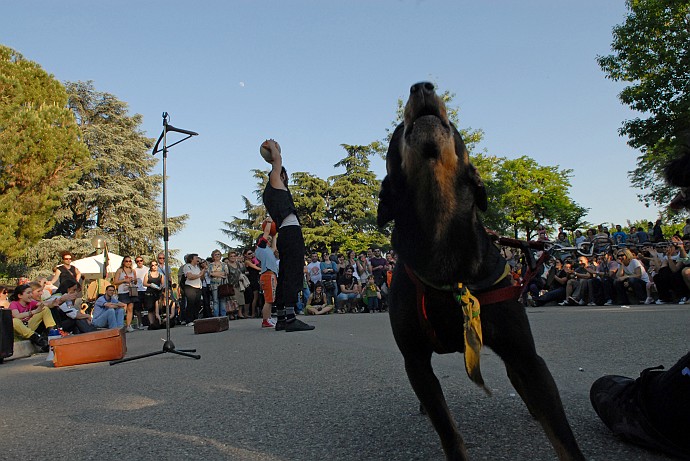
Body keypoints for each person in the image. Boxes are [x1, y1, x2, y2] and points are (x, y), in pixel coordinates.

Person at [261, 138, 314, 331]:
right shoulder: (276, 182)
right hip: (290, 231)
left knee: (284, 273)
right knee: (293, 272)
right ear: (280, 176)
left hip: (284, 233)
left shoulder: (269, 193)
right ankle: (291, 318)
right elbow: (277, 162)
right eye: (285, 175)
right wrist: (273, 147)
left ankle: (283, 317)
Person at [9, 283, 54, 351]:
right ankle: (40, 341)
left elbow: (44, 304)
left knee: (44, 309)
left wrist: (57, 301)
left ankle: (53, 333)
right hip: (19, 330)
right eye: (28, 293)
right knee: (15, 321)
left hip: (28, 326)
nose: (31, 295)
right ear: (20, 295)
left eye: (31, 292)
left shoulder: (31, 302)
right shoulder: (13, 304)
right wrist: (34, 312)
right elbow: (16, 315)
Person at [255, 223, 279, 328]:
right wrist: (269, 223)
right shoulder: (260, 248)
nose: (268, 240)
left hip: (271, 274)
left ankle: (268, 318)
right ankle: (265, 321)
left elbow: (274, 247)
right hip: (268, 274)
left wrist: (274, 235)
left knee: (271, 299)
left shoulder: (268, 250)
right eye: (267, 239)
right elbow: (266, 232)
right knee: (269, 299)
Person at [113, 256, 137, 332]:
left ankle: (128, 325)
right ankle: (121, 324)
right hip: (123, 291)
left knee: (130, 308)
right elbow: (115, 282)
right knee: (123, 308)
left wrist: (134, 280)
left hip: (131, 290)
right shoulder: (120, 271)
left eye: (130, 261)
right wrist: (124, 280)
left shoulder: (133, 271)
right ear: (123, 262)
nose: (128, 263)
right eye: (126, 261)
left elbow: (136, 281)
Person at [182, 254, 205, 326]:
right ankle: (189, 320)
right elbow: (190, 276)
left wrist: (203, 269)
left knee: (197, 304)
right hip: (190, 287)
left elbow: (201, 277)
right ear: (192, 259)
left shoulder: (197, 267)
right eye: (196, 258)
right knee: (190, 303)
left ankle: (195, 318)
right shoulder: (187, 266)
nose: (197, 259)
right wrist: (199, 275)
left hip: (198, 287)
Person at [143, 260, 166, 328]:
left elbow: (163, 283)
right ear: (150, 266)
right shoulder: (148, 274)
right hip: (149, 293)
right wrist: (150, 285)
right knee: (150, 309)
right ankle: (151, 323)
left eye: (156, 265)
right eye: (152, 265)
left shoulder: (161, 274)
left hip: (158, 293)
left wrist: (160, 287)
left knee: (157, 308)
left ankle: (158, 322)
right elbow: (144, 283)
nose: (154, 266)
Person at [208, 249, 230, 318]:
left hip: (222, 284)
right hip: (214, 284)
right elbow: (210, 274)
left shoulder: (224, 264)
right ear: (213, 256)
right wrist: (220, 274)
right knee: (215, 300)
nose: (217, 256)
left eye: (218, 254)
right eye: (215, 254)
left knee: (223, 300)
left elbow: (226, 273)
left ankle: (223, 316)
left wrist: (215, 274)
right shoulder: (210, 265)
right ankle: (216, 316)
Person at [243, 248, 261, 318]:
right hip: (252, 281)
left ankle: (252, 312)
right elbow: (257, 268)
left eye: (252, 253)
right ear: (245, 255)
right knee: (254, 298)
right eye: (249, 254)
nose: (251, 255)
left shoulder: (253, 260)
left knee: (255, 297)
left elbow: (257, 265)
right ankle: (252, 313)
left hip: (255, 279)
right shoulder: (247, 262)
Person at [133, 256, 149, 330]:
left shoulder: (147, 269)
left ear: (143, 261)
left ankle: (148, 322)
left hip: (146, 289)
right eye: (137, 261)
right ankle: (140, 323)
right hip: (137, 290)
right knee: (138, 308)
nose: (139, 262)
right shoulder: (134, 270)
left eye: (141, 261)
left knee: (147, 307)